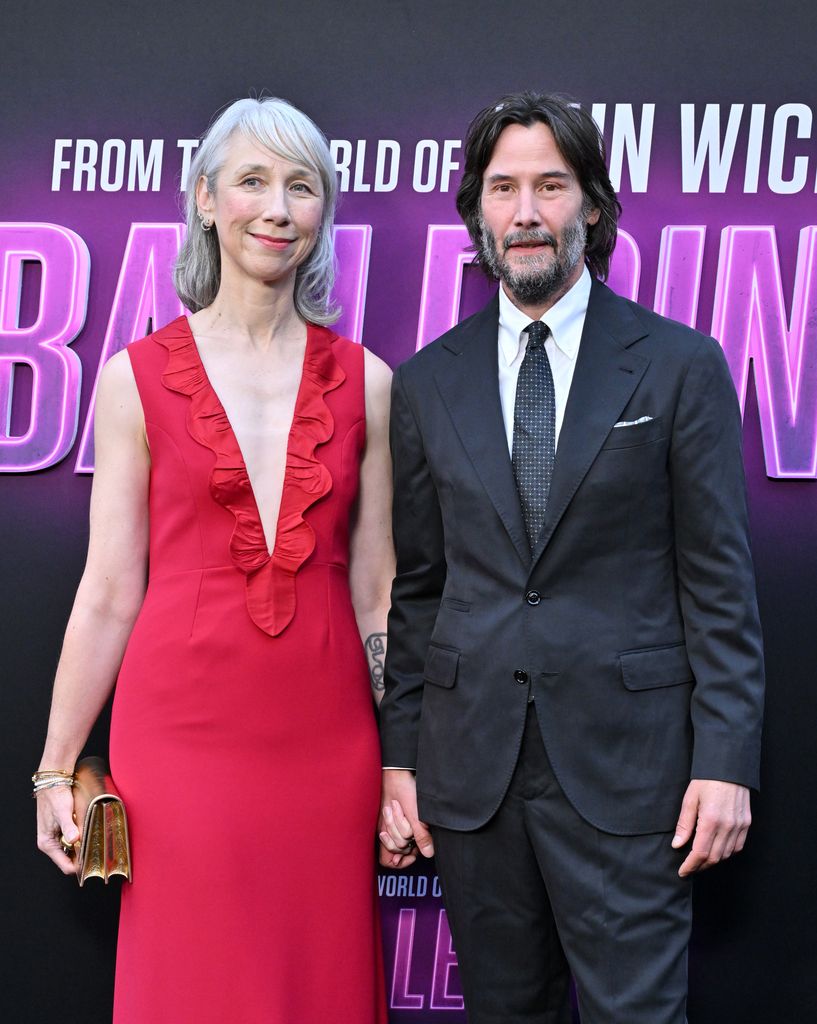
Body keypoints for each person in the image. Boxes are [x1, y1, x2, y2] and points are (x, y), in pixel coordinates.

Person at [378, 92, 764, 1024]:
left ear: (590, 205)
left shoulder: (677, 365)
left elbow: (718, 585)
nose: (525, 212)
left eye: (549, 186)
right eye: (502, 188)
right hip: (473, 777)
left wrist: (726, 760)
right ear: (476, 211)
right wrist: (401, 760)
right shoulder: (426, 382)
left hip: (632, 773)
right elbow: (420, 590)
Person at [34, 96, 392, 1024]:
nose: (277, 208)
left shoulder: (369, 382)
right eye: (252, 181)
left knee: (320, 980)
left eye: (301, 187)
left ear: (323, 211)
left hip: (328, 743)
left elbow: (377, 590)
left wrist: (403, 759)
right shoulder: (134, 377)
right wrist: (55, 767)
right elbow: (110, 589)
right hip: (178, 742)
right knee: (189, 982)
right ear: (204, 198)